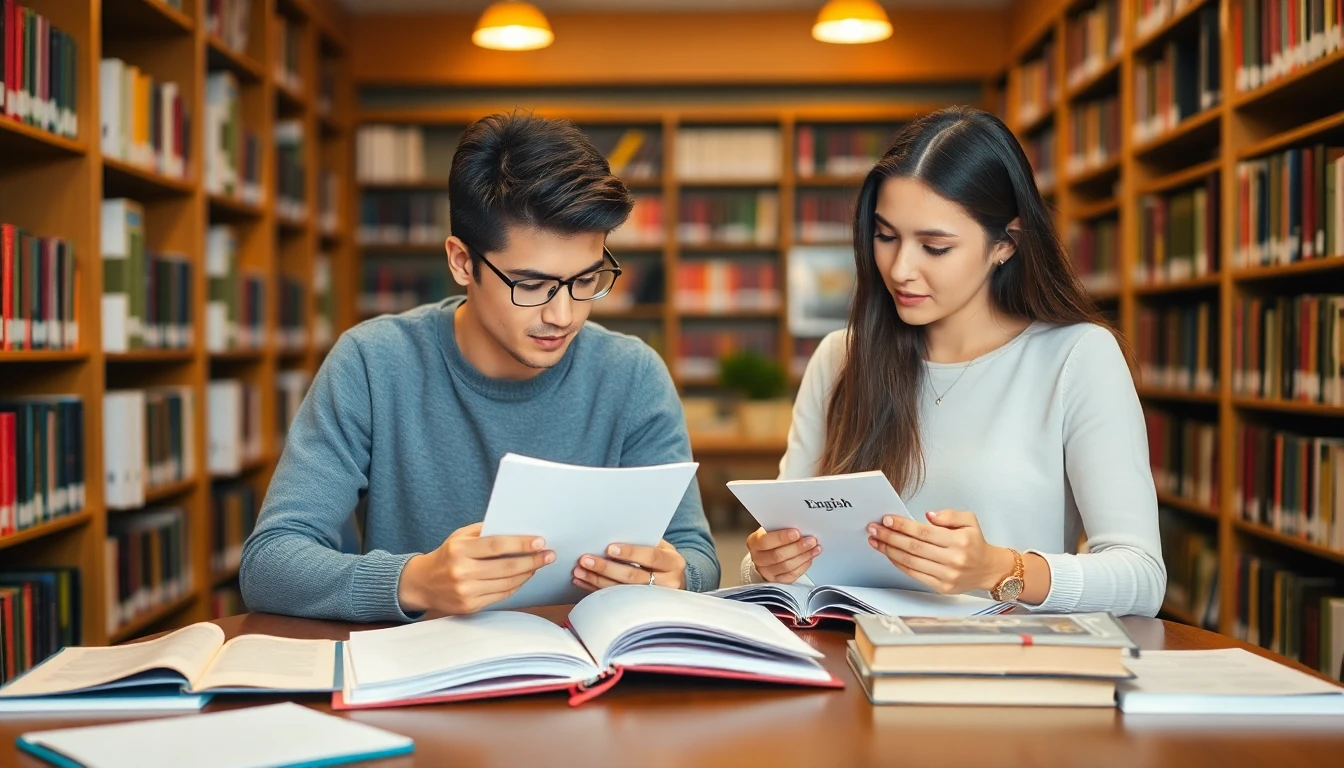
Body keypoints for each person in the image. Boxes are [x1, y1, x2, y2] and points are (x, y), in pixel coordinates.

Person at [241, 111, 721, 622]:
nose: (563, 314)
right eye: (531, 284)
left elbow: (696, 555)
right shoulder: (373, 362)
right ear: (461, 262)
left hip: (587, 675)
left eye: (587, 279)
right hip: (423, 678)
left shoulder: (632, 375)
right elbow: (270, 561)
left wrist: (671, 575)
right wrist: (414, 581)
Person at [742, 106, 1165, 617]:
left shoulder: (1077, 356)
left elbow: (1142, 577)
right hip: (850, 662)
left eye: (935, 247)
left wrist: (999, 568)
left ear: (1005, 244)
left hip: (1001, 673)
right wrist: (766, 560)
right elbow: (773, 554)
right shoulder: (841, 358)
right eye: (886, 236)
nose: (900, 269)